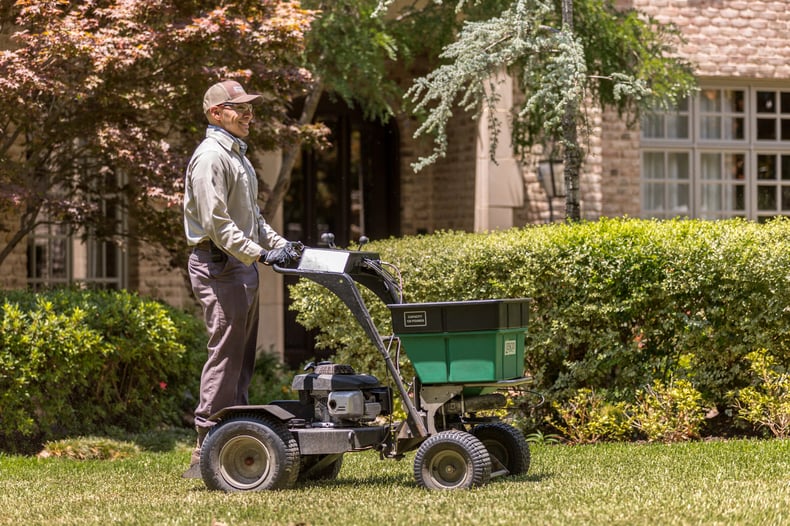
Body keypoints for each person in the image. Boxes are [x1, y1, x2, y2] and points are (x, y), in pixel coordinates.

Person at [181, 79, 301, 478]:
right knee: (226, 354)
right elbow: (217, 224)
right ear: (216, 113)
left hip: (241, 266)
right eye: (239, 108)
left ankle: (233, 437)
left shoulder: (238, 157)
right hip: (219, 266)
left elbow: (253, 220)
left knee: (242, 357)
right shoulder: (210, 157)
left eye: (250, 108)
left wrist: (282, 246)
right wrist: (261, 254)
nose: (249, 114)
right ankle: (206, 447)